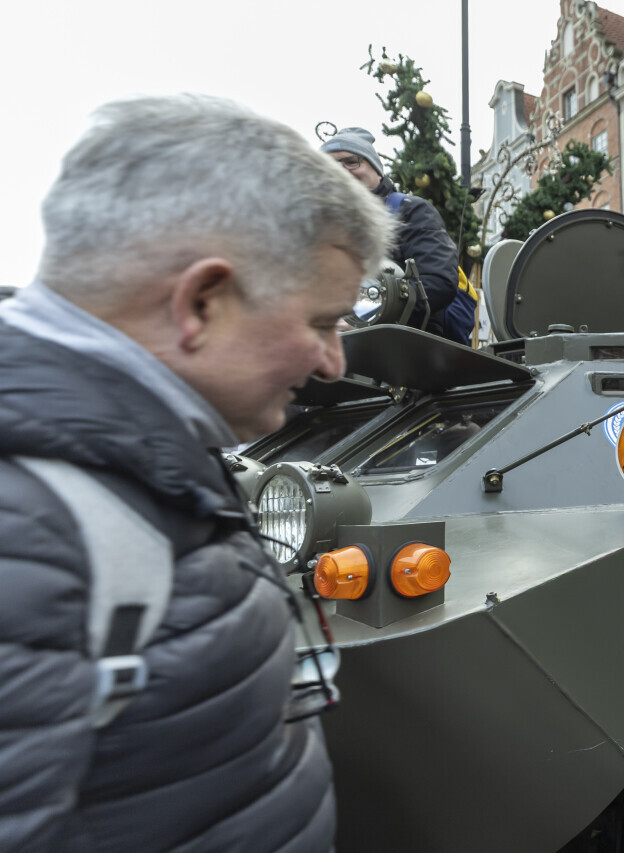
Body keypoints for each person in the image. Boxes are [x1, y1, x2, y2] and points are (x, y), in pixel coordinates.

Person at [0, 94, 392, 852]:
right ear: (202, 302)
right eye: (321, 322)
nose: (334, 362)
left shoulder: (144, 459)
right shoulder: (34, 529)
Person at [320, 126, 460, 338]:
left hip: (401, 346)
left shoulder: (410, 211)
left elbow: (438, 282)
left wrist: (366, 319)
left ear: (376, 169)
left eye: (351, 161)